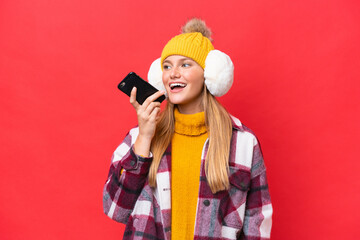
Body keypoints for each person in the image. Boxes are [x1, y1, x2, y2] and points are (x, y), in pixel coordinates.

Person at [103, 18, 273, 240]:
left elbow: (256, 223)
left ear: (208, 74)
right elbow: (116, 208)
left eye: (185, 64)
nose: (173, 73)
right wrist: (145, 138)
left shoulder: (242, 142)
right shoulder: (139, 137)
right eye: (167, 66)